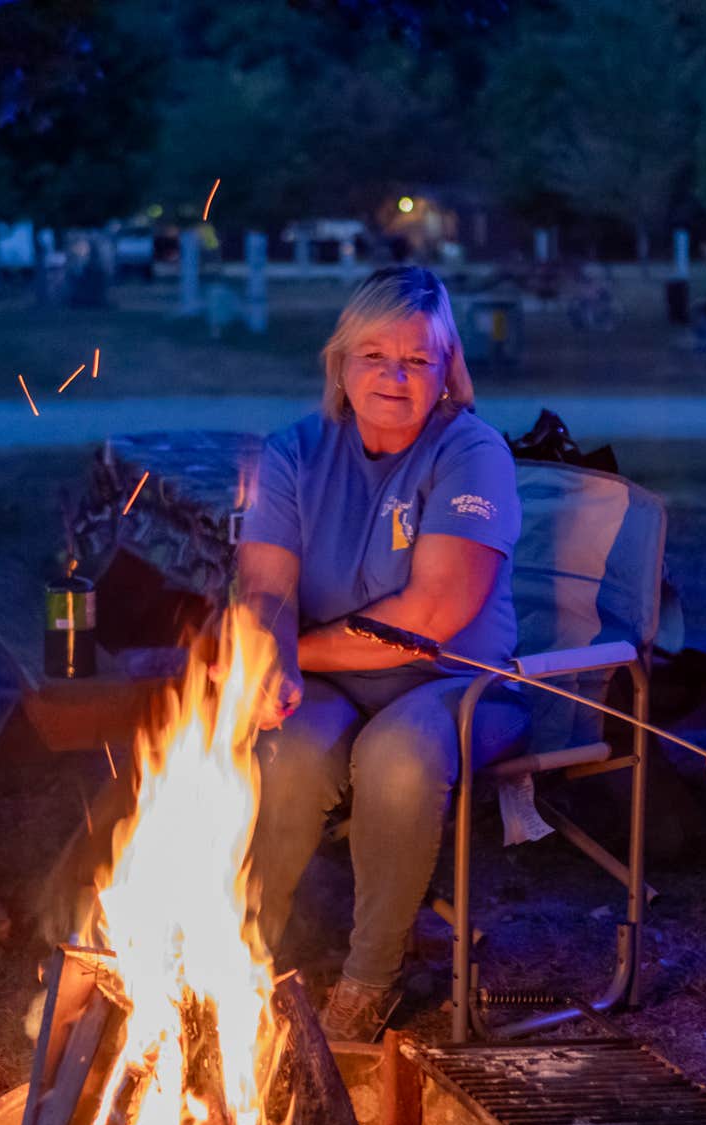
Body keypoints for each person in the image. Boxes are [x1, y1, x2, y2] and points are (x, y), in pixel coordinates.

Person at [237, 266, 531, 1042]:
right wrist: (273, 657)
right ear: (341, 362)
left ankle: (371, 979)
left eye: (416, 360)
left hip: (458, 685)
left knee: (398, 754)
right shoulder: (296, 450)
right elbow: (265, 586)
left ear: (447, 370)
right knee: (290, 750)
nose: (394, 377)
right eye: (374, 355)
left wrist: (294, 651)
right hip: (337, 674)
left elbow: (433, 614)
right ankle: (239, 953)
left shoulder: (473, 454)